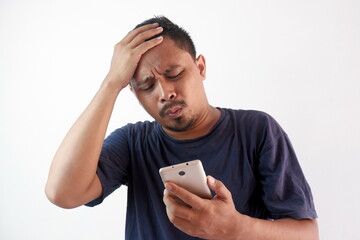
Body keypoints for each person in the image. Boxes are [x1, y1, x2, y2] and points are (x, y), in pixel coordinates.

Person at [45, 16, 319, 240]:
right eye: (147, 86)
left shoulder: (257, 131)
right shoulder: (132, 142)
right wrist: (110, 84)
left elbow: (307, 234)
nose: (165, 93)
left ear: (200, 67)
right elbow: (62, 193)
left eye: (174, 74)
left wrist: (236, 229)